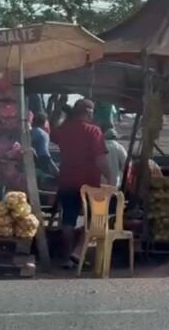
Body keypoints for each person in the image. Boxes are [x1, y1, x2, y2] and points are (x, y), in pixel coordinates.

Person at [51, 99, 112, 268]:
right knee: (96, 219)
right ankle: (77, 252)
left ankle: (67, 256)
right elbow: (100, 160)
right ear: (89, 113)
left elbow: (53, 133)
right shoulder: (94, 131)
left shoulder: (64, 129)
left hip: (67, 180)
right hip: (90, 184)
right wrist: (111, 178)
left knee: (68, 220)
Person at [31, 113, 58, 178]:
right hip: (40, 165)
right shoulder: (43, 135)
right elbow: (44, 153)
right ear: (44, 122)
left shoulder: (27, 133)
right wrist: (55, 168)